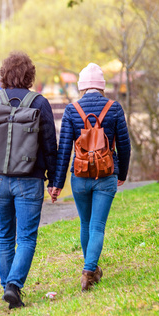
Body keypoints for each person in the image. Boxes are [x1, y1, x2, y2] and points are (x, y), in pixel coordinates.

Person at [0, 51, 58, 309]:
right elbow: (49, 147)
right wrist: (54, 180)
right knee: (27, 237)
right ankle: (13, 286)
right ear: (30, 75)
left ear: (3, 74)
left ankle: (7, 288)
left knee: (5, 235)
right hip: (30, 181)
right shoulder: (39, 103)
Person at [51, 63, 131, 291]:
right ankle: (89, 271)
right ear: (102, 87)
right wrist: (122, 173)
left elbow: (64, 150)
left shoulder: (71, 110)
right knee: (98, 226)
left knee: (85, 224)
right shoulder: (114, 109)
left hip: (80, 177)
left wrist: (57, 184)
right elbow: (124, 146)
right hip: (106, 176)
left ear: (82, 87)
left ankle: (91, 268)